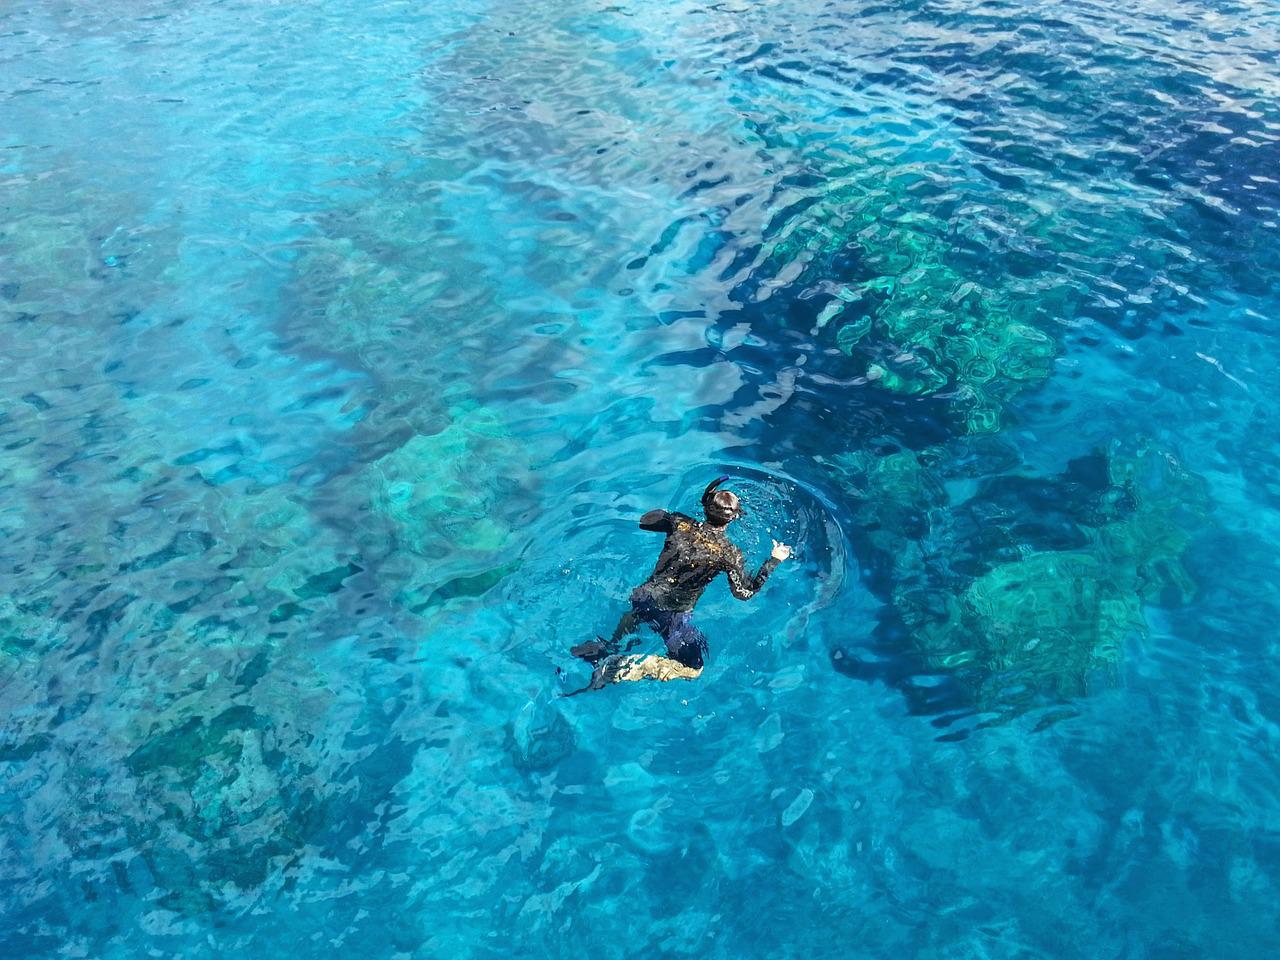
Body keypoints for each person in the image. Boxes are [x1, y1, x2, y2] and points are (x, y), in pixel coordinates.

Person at [564, 476, 791, 696]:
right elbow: (744, 593)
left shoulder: (680, 523)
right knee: (693, 669)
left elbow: (645, 521)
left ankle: (604, 648)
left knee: (635, 617)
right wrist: (773, 560)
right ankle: (620, 668)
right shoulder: (729, 553)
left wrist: (671, 516)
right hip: (672, 615)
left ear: (705, 507)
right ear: (732, 519)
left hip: (643, 596)